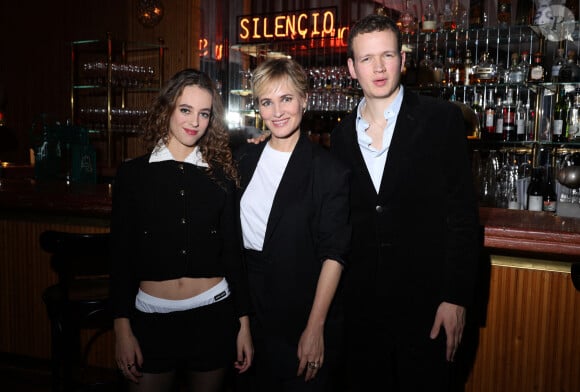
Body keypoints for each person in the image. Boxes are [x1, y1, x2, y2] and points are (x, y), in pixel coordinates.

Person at [330, 14, 480, 391]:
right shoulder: (340, 135)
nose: (378, 68)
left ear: (403, 59)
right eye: (366, 59)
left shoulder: (442, 120)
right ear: (352, 67)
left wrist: (455, 298)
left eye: (387, 55)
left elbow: (463, 217)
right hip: (363, 313)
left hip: (428, 307)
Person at [110, 68, 253, 391]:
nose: (194, 122)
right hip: (151, 319)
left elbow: (233, 253)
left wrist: (243, 325)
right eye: (185, 110)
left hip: (213, 316)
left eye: (204, 113)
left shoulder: (222, 177)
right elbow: (121, 256)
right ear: (167, 109)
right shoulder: (133, 176)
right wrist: (121, 328)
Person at [235, 57, 351, 391]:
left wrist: (315, 328)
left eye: (286, 99)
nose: (277, 112)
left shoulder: (329, 170)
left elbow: (334, 254)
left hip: (301, 313)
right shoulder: (244, 157)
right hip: (249, 313)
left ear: (304, 99)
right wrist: (238, 319)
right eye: (267, 102)